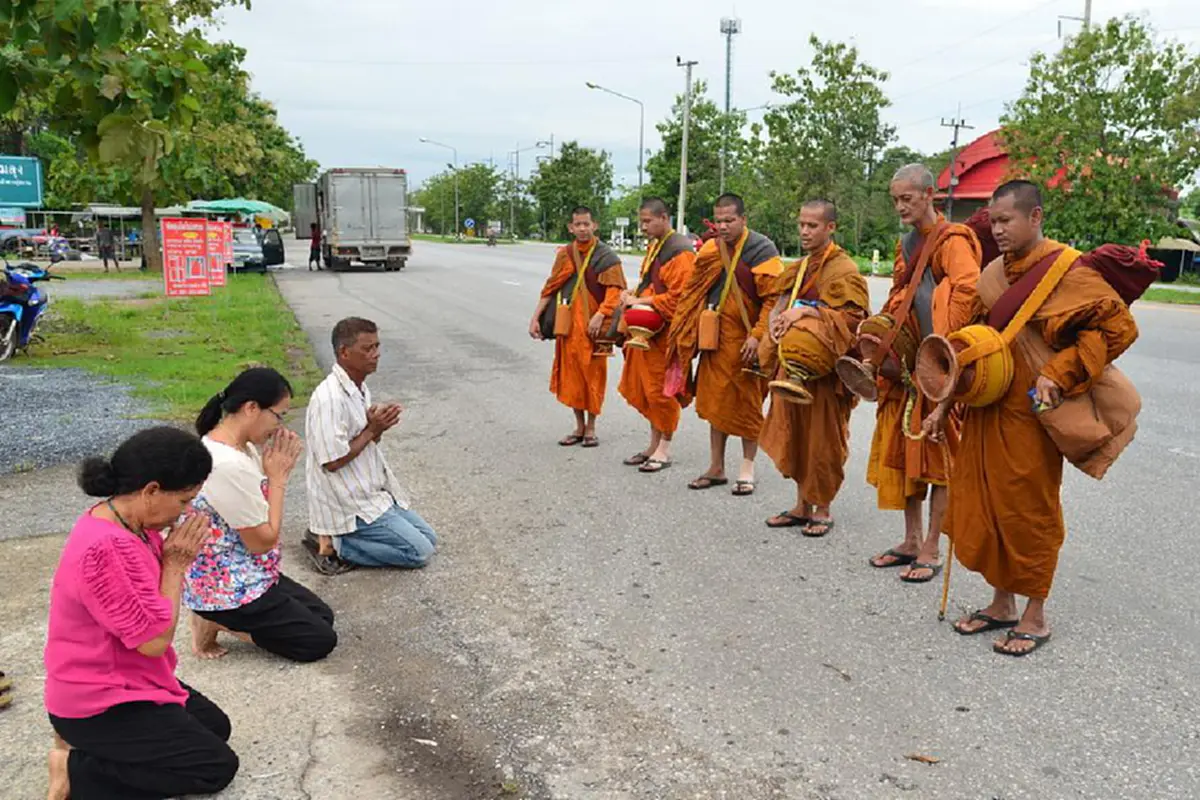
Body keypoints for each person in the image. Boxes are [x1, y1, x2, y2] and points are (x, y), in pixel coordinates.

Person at [925, 180, 1138, 656]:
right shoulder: (995, 272)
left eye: (1006, 221)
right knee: (984, 500)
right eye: (993, 222)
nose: (997, 230)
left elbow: (1117, 328)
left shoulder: (1069, 270)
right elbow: (973, 337)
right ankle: (1001, 603)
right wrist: (944, 401)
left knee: (1028, 508)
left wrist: (1060, 373)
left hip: (1032, 411)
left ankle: (1035, 615)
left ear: (1036, 217)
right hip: (988, 404)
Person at [44, 427, 239, 800]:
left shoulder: (127, 521)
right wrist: (177, 565)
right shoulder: (107, 549)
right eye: (183, 501)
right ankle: (75, 771)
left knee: (216, 727)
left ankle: (82, 748)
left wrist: (171, 561)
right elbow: (153, 641)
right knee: (215, 767)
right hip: (96, 700)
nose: (185, 513)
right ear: (151, 490)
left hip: (133, 682)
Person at [866, 164, 981, 582]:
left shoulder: (953, 241)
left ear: (930, 195)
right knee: (905, 454)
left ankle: (933, 545)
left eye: (907, 199)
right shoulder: (906, 243)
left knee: (939, 459)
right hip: (908, 367)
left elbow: (967, 290)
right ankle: (911, 539)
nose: (900, 206)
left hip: (942, 366)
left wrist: (945, 352)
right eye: (896, 199)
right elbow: (900, 293)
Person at [185, 367, 338, 663]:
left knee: (322, 616)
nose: (279, 426)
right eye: (278, 415)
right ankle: (217, 619)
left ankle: (218, 616)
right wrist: (278, 478)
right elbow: (262, 541)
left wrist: (273, 473)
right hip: (226, 584)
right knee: (318, 642)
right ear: (251, 408)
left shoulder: (239, 447)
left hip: (250, 570)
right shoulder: (226, 464)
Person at [760, 200, 870, 536]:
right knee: (796, 432)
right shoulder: (800, 267)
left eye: (813, 226)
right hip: (792, 364)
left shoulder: (844, 270)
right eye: (802, 225)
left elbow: (855, 320)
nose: (805, 232)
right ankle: (800, 504)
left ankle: (822, 508)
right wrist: (775, 324)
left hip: (824, 372)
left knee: (822, 439)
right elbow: (780, 303)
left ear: (830, 228)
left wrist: (807, 313)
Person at [668, 193, 784, 496]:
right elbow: (693, 293)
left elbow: (774, 300)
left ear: (743, 220)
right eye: (718, 220)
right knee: (715, 404)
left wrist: (758, 335)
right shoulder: (710, 249)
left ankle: (747, 468)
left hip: (748, 344)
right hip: (715, 342)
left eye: (729, 220)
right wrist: (687, 332)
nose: (723, 226)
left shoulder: (761, 250)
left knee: (747, 407)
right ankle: (716, 467)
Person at [305, 317, 439, 574]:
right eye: (368, 349)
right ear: (344, 353)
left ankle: (346, 539)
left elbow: (367, 441)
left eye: (377, 346)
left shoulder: (359, 388)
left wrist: (379, 427)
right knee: (418, 552)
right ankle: (335, 543)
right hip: (347, 502)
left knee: (429, 538)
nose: (376, 355)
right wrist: (372, 429)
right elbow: (332, 461)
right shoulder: (329, 399)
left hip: (370, 494)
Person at [528, 206, 627, 447]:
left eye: (586, 224)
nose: (582, 229)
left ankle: (591, 427)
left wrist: (601, 314)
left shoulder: (606, 256)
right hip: (569, 326)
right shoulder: (566, 254)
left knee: (593, 375)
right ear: (571, 228)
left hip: (596, 328)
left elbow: (615, 292)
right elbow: (550, 288)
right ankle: (579, 426)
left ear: (595, 226)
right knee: (571, 374)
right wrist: (535, 317)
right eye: (578, 225)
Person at [617, 197, 696, 472]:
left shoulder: (680, 251)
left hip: (666, 334)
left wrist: (645, 302)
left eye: (648, 221)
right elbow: (651, 285)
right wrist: (633, 295)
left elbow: (681, 298)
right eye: (642, 221)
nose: (643, 227)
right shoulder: (656, 247)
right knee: (648, 391)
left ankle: (664, 448)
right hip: (647, 333)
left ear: (664, 218)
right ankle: (652, 444)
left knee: (662, 392)